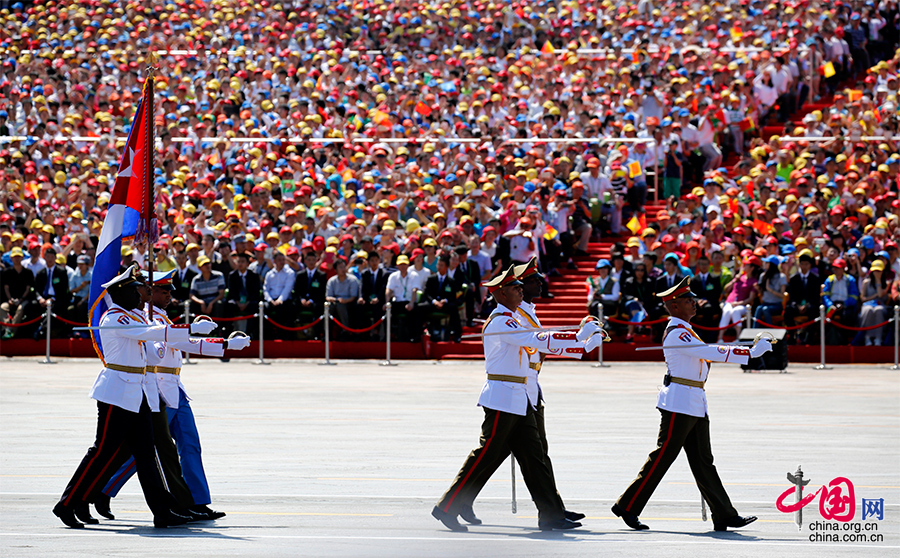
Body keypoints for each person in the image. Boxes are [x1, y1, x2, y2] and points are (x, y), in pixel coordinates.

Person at [432, 265, 602, 532]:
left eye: (520, 287)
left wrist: (579, 343)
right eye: (515, 287)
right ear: (500, 294)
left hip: (518, 397)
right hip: (503, 396)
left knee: (534, 457)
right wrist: (578, 340)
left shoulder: (511, 318)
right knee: (485, 454)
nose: (520, 290)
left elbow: (535, 342)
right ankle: (447, 506)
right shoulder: (502, 320)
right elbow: (535, 339)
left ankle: (551, 515)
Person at [53, 265, 217, 529]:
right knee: (101, 452)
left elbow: (154, 347)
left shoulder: (134, 316)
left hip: (137, 392)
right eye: (136, 290)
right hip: (116, 393)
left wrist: (185, 335)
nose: (141, 294)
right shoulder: (114, 318)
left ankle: (162, 511)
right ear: (121, 293)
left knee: (145, 454)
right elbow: (149, 333)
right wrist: (189, 328)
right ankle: (68, 503)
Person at [611, 277, 771, 532]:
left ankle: (723, 514)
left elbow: (706, 350)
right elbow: (709, 352)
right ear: (674, 306)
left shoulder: (685, 329)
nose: (694, 303)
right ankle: (627, 506)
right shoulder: (677, 332)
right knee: (663, 456)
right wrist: (748, 352)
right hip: (680, 402)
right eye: (688, 300)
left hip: (694, 401)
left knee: (703, 461)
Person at [94, 270, 248, 521]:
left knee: (189, 446)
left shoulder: (162, 317)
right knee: (142, 452)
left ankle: (196, 502)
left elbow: (187, 343)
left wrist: (226, 345)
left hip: (175, 389)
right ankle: (104, 489)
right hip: (154, 389)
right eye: (162, 291)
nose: (167, 296)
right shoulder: (140, 319)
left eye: (169, 292)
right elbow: (166, 345)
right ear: (147, 292)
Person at [419, 255, 462, 341]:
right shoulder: (431, 279)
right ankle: (418, 333)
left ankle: (457, 335)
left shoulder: (451, 281)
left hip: (445, 304)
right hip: (433, 303)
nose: (439, 267)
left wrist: (444, 301)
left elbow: (453, 296)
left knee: (453, 308)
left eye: (441, 265)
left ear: (446, 267)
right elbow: (427, 294)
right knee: (420, 307)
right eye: (438, 264)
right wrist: (434, 301)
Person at [717, 256, 760, 342]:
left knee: (736, 311)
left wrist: (738, 303)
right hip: (729, 302)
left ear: (752, 268)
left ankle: (738, 337)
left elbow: (750, 298)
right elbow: (726, 290)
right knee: (727, 311)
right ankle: (720, 338)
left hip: (742, 305)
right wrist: (734, 280)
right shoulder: (739, 277)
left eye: (747, 265)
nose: (744, 266)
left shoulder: (754, 281)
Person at [1, 247, 35, 339]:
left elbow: (28, 289)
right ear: (11, 258)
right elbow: (6, 288)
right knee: (3, 308)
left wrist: (21, 299)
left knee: (21, 309)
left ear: (22, 258)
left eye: (18, 256)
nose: (16, 258)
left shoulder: (28, 272)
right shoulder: (7, 272)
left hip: (24, 300)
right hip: (10, 299)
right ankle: (7, 328)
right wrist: (10, 299)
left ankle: (11, 331)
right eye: (15, 257)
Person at [689, 256, 723, 343]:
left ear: (709, 265)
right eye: (702, 264)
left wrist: (706, 300)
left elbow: (717, 293)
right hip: (698, 304)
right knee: (692, 309)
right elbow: (691, 294)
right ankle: (697, 336)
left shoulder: (715, 278)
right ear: (698, 265)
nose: (704, 266)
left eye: (706, 264)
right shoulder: (693, 280)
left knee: (708, 308)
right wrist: (698, 300)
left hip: (711, 303)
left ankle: (709, 336)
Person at [226, 252, 261, 336]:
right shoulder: (232, 275)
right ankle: (228, 331)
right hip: (237, 301)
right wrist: (238, 302)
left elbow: (255, 291)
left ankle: (250, 332)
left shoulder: (254, 275)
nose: (240, 264)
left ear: (247, 264)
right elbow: (232, 291)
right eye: (238, 262)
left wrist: (247, 302)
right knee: (229, 305)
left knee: (254, 306)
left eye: (242, 262)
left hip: (249, 300)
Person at [325, 258, 360, 341]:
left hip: (349, 303)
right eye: (340, 267)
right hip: (335, 302)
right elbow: (328, 296)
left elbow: (353, 296)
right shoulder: (332, 280)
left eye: (344, 267)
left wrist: (344, 300)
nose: (343, 269)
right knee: (329, 307)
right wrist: (334, 299)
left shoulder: (352, 280)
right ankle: (327, 332)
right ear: (336, 269)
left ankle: (346, 331)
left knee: (341, 306)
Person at [858, 260, 889, 345]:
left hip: (880, 305)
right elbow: (863, 298)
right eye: (875, 271)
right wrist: (873, 296)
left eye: (878, 271)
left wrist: (878, 280)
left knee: (878, 310)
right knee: (868, 310)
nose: (876, 272)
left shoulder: (886, 283)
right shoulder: (866, 282)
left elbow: (880, 294)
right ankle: (867, 337)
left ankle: (878, 338)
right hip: (867, 305)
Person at [754, 255, 787, 327]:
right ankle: (754, 332)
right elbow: (761, 293)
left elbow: (782, 295)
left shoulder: (781, 277)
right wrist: (758, 289)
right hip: (765, 303)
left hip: (776, 305)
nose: (764, 264)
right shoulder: (763, 276)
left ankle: (770, 332)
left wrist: (770, 289)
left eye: (767, 262)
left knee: (766, 309)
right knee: (759, 308)